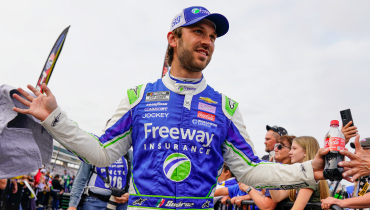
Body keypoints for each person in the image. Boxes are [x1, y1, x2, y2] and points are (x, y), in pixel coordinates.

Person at [13, 6, 333, 210]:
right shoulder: (138, 97)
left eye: (212, 36)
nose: (207, 40)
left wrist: (305, 171)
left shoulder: (226, 107)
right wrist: (54, 117)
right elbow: (100, 153)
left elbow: (251, 171)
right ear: (173, 38)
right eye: (198, 31)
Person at [269, 136, 330, 210]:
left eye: (294, 148)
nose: (290, 152)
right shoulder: (302, 174)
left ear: (305, 152)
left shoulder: (309, 176)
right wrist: (270, 172)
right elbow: (277, 197)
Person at [68, 150, 132, 210]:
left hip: (120, 204)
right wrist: (72, 205)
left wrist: (130, 195)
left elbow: (136, 181)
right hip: (94, 202)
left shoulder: (129, 154)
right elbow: (81, 179)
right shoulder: (94, 149)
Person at [321, 137, 370, 210]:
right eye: (355, 149)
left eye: (362, 149)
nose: (355, 152)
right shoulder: (361, 171)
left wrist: (341, 202)